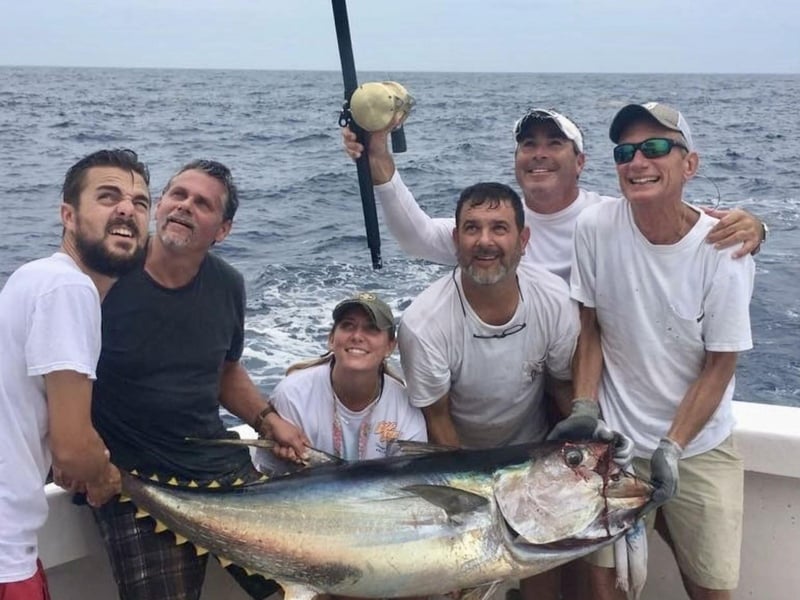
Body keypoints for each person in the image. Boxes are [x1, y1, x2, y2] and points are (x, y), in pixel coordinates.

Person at [87, 159, 310, 600]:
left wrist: (268, 419)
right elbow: (62, 377)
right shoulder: (104, 279)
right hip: (136, 478)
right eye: (178, 195)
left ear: (222, 230)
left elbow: (225, 370)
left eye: (202, 204)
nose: (185, 206)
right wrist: (80, 456)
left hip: (215, 463)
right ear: (158, 206)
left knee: (308, 584)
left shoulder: (228, 284)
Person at [569, 102, 754, 600]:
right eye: (625, 151)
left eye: (655, 147)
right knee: (604, 587)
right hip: (618, 445)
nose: (638, 161)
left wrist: (673, 445)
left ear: (688, 164)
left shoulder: (726, 250)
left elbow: (721, 365)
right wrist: (585, 408)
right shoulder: (595, 227)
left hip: (698, 445)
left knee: (711, 587)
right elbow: (591, 328)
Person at [397, 181, 584, 600]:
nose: (485, 241)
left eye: (499, 228)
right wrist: (475, 501)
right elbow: (437, 420)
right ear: (455, 239)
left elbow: (560, 387)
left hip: (532, 453)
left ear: (524, 240)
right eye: (472, 228)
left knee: (545, 568)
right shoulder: (423, 324)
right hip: (459, 463)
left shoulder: (553, 300)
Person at [342, 108, 764, 284]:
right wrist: (378, 154)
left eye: (554, 143)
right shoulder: (497, 232)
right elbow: (414, 237)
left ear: (580, 162)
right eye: (528, 144)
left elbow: (690, 227)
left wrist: (757, 227)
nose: (539, 154)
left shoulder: (614, 215)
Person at [0, 149, 150, 598]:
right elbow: (71, 448)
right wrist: (102, 472)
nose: (127, 208)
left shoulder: (33, 277)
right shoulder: (69, 287)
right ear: (68, 215)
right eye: (108, 196)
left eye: (141, 203)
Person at [262, 292, 426, 469]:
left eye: (372, 328)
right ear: (331, 339)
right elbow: (268, 473)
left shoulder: (405, 407)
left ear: (390, 346)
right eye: (348, 326)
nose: (357, 336)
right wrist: (287, 460)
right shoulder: (291, 395)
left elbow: (410, 479)